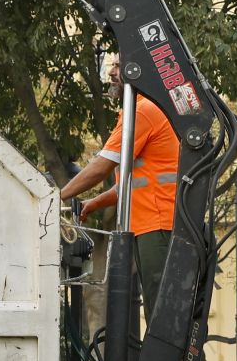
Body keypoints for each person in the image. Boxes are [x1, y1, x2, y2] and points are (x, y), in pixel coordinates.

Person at [58, 57, 180, 322]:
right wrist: (94, 203)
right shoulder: (139, 110)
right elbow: (126, 184)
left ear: (137, 69)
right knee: (157, 310)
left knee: (162, 315)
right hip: (152, 224)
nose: (111, 72)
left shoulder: (144, 111)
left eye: (117, 65)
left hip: (158, 224)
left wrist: (56, 197)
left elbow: (101, 166)